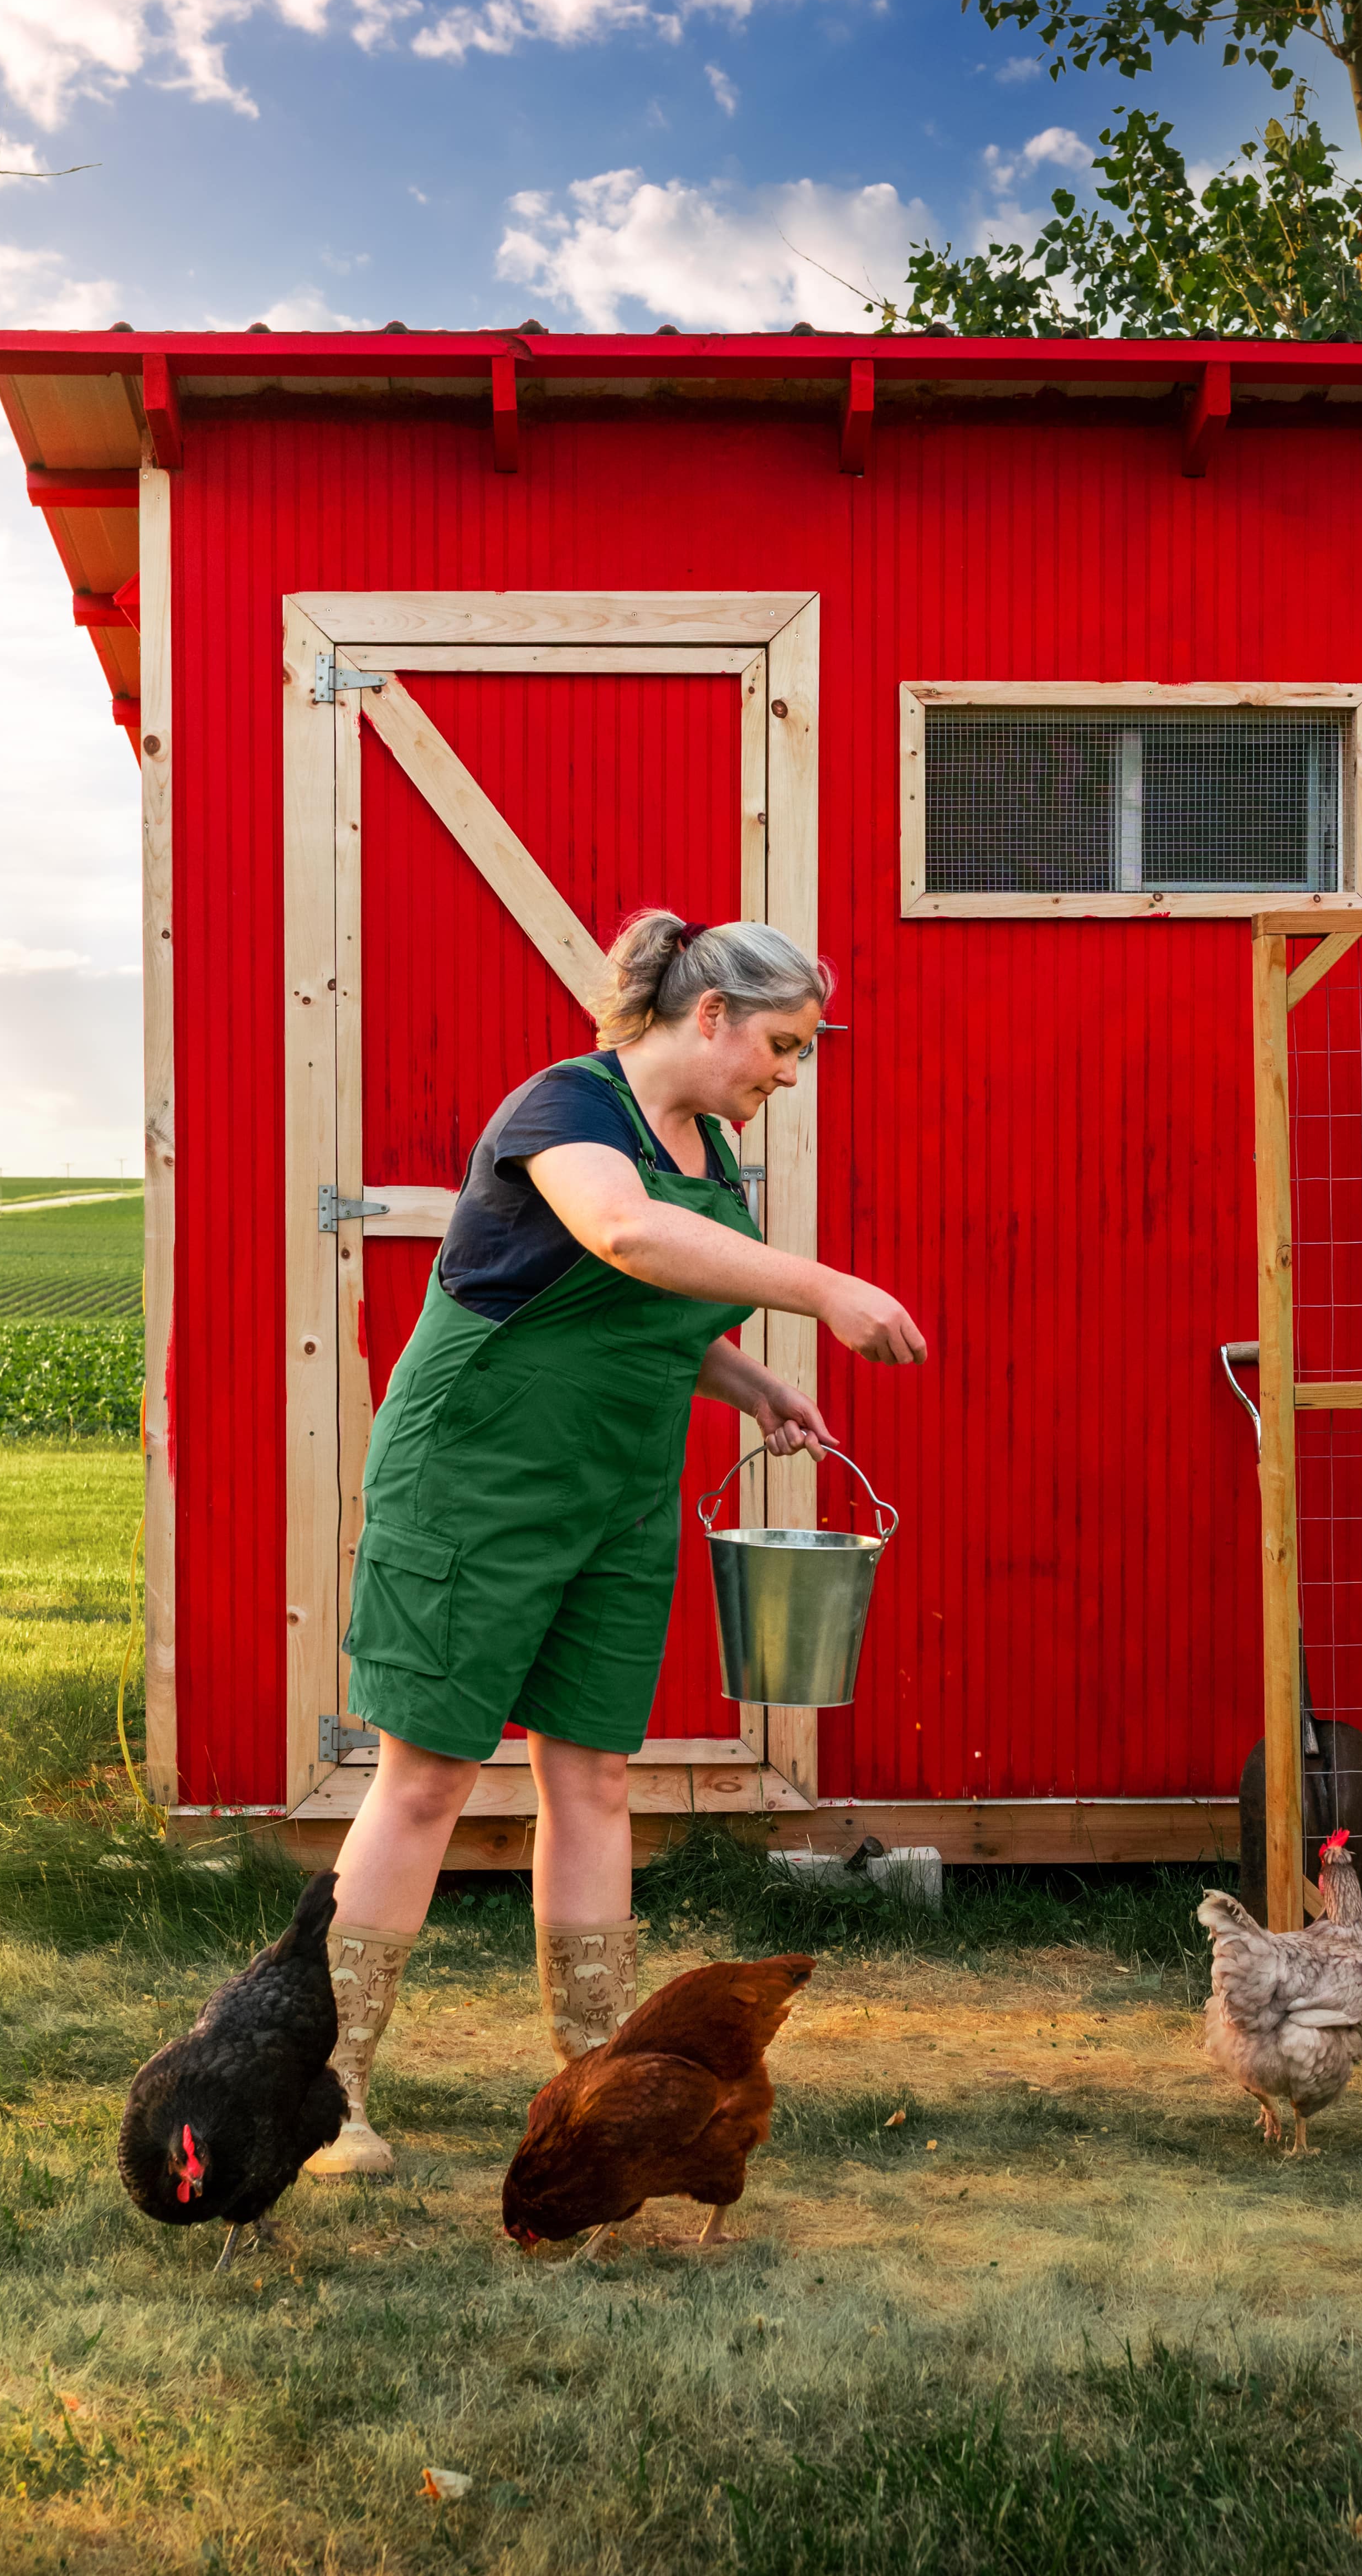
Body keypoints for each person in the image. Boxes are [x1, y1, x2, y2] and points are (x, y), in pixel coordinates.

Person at [305, 911, 925, 2173]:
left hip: (616, 1491)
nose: (788, 1076)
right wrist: (822, 1286)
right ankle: (330, 2088)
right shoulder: (566, 1108)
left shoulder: (711, 1153)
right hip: (476, 1478)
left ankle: (596, 2083)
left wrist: (747, 1380)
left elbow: (644, 1310)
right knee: (422, 1779)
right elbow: (621, 1238)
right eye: (783, 1046)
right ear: (709, 1017)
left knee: (590, 1777)